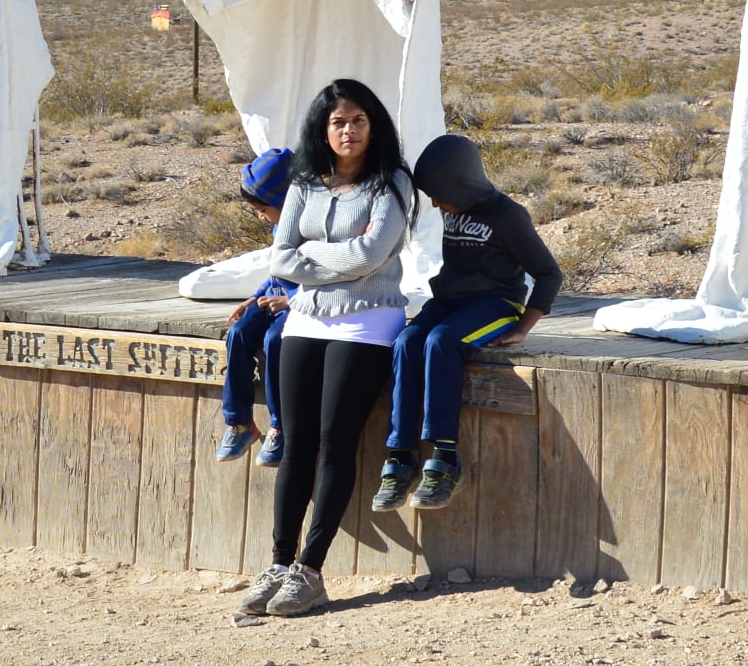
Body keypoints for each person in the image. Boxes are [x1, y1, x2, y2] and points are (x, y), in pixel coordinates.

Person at [238, 79, 414, 618]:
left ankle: (310, 572)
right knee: (294, 445)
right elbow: (280, 259)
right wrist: (335, 257)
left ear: (373, 124)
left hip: (368, 321)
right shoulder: (304, 184)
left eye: (358, 120)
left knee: (334, 443)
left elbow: (373, 254)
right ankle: (277, 563)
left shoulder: (393, 183)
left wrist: (316, 255)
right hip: (306, 318)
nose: (348, 130)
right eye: (338, 122)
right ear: (323, 128)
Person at [370, 133, 561, 512]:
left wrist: (524, 326)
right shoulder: (451, 206)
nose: (436, 202)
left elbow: (548, 273)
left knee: (441, 341)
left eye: (440, 193)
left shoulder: (508, 216)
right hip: (451, 300)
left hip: (496, 305)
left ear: (460, 182)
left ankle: (444, 459)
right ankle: (400, 455)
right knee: (408, 341)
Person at [216, 147, 296, 467]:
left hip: (301, 302)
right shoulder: (280, 225)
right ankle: (238, 422)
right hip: (273, 294)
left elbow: (326, 274)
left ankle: (281, 425)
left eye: (264, 208)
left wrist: (290, 300)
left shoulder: (313, 225)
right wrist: (256, 294)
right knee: (238, 334)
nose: (262, 217)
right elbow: (278, 269)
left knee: (273, 341)